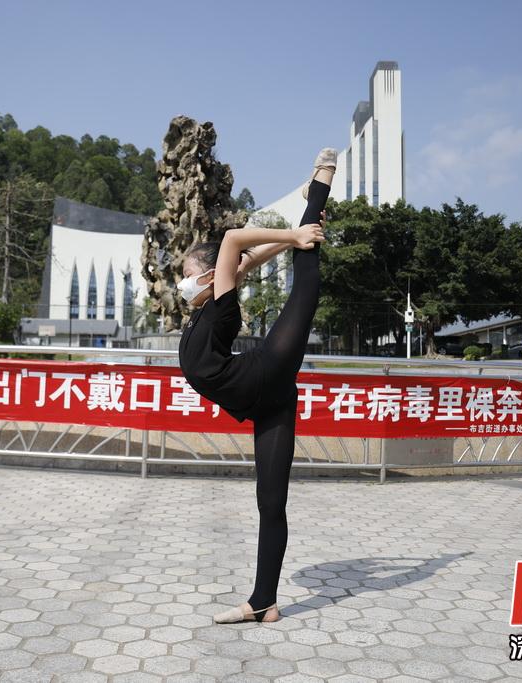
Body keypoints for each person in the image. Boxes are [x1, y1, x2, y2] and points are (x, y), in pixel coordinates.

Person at [177, 148, 336, 623]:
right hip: (268, 402)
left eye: (186, 275)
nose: (182, 283)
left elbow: (232, 240)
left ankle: (321, 185)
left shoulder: (219, 303)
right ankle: (264, 601)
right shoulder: (208, 299)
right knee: (271, 502)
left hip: (264, 371)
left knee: (307, 279)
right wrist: (288, 238)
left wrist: (297, 235)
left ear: (209, 275)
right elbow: (247, 257)